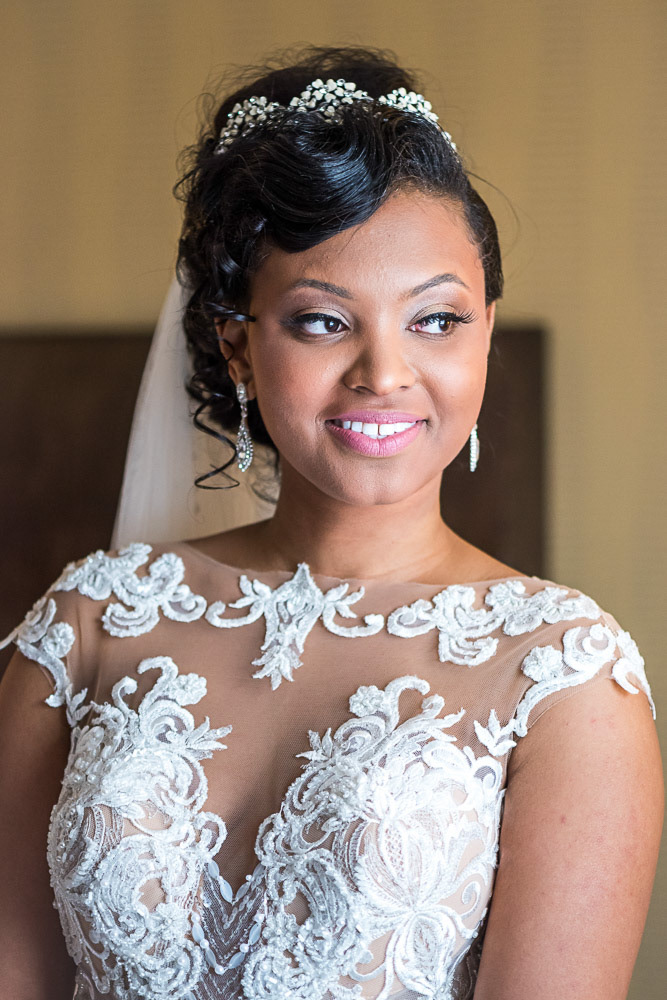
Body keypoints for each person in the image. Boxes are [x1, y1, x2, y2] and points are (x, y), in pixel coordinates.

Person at [0, 45, 662, 1000]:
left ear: (484, 331)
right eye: (322, 320)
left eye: (436, 320)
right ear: (236, 343)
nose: (383, 374)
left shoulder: (562, 675)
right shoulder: (89, 626)